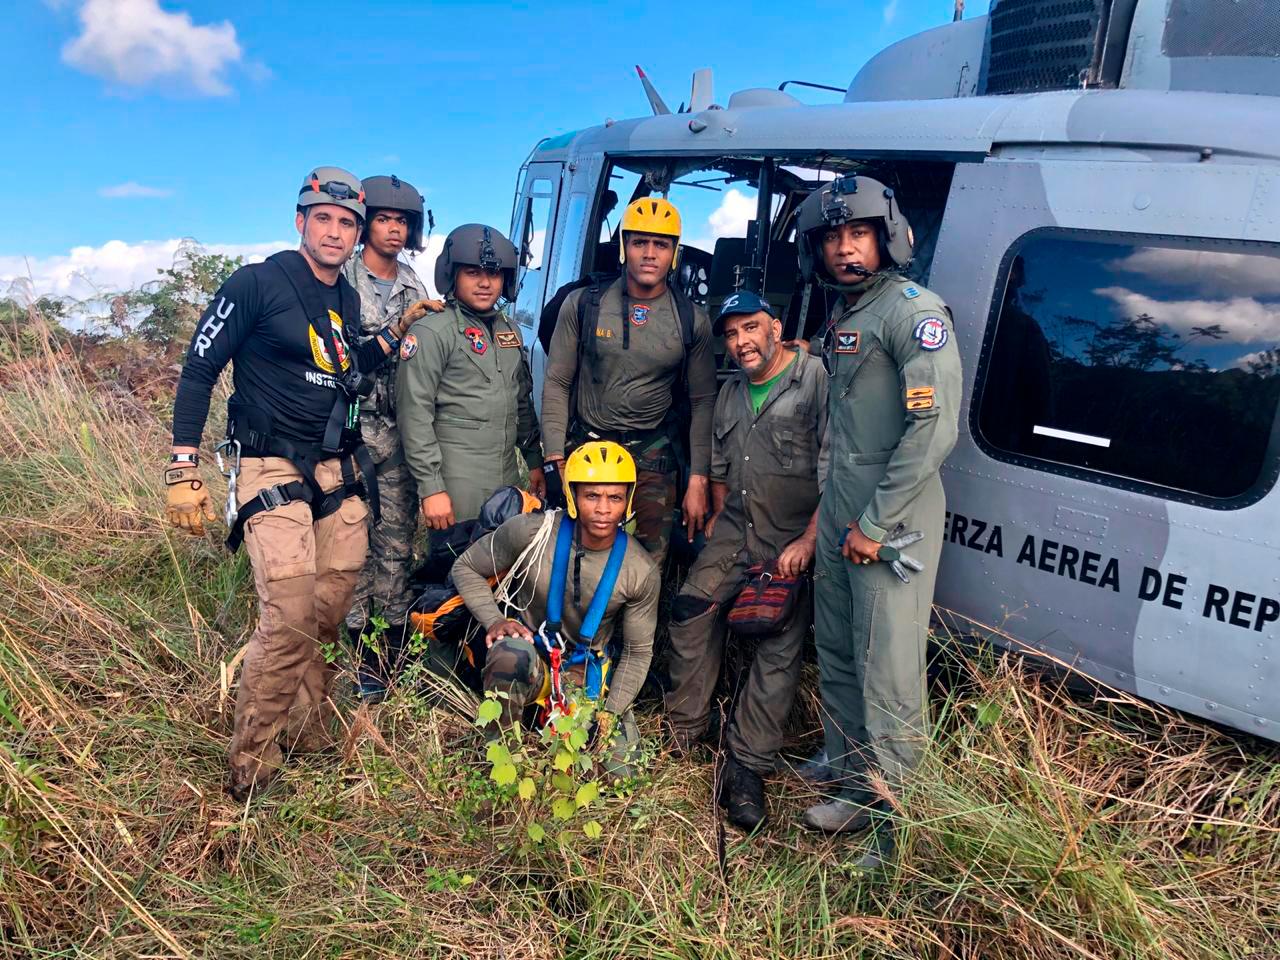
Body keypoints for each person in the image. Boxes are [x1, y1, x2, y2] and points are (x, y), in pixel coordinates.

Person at [166, 166, 417, 799]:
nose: (335, 232)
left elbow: (341, 363)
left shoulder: (347, 301)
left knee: (330, 614)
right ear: (300, 220)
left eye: (347, 223)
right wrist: (182, 463)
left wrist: (396, 333)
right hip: (270, 466)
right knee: (288, 616)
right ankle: (253, 761)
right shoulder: (257, 284)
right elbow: (200, 369)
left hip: (337, 470)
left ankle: (308, 730)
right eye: (324, 219)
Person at [794, 174, 962, 868]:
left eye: (858, 233)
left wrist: (874, 523)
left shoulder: (913, 313)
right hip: (843, 511)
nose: (845, 248)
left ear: (885, 236)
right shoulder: (849, 314)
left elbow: (932, 431)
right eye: (833, 236)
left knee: (888, 674)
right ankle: (853, 777)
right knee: (836, 648)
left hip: (890, 523)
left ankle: (901, 828)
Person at [663, 291, 828, 831]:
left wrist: (807, 541)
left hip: (790, 537)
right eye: (732, 335)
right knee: (689, 611)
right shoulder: (731, 395)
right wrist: (713, 515)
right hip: (735, 531)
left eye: (751, 328)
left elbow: (838, 471)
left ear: (775, 328)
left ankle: (746, 767)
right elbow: (721, 470)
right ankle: (686, 733)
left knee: (778, 641)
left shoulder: (815, 379)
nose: (742, 342)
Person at [450, 441, 660, 773]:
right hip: (531, 657)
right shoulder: (532, 531)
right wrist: (494, 620)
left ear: (628, 500)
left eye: (615, 498)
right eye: (592, 496)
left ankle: (558, 725)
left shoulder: (640, 569)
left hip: (584, 676)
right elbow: (466, 568)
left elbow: (637, 652)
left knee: (622, 775)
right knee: (509, 654)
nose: (604, 509)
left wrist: (612, 711)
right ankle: (499, 762)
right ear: (574, 496)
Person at [540, 197, 718, 573]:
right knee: (575, 551)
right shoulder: (583, 304)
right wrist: (555, 458)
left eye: (661, 244)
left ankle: (638, 632)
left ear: (675, 253)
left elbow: (703, 401)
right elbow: (557, 380)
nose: (650, 254)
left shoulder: (692, 320)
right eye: (639, 242)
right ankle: (578, 629)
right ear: (624, 248)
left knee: (649, 559)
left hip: (652, 446)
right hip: (588, 440)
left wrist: (698, 478)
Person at [340, 174, 444, 693]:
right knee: (351, 543)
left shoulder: (414, 284)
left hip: (400, 431)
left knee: (397, 543)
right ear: (365, 224)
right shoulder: (341, 278)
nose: (394, 229)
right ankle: (358, 647)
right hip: (350, 432)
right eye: (384, 219)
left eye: (402, 221)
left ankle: (393, 650)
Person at [396, 223, 545, 529]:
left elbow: (521, 402)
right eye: (473, 273)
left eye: (493, 274)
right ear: (453, 275)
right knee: (458, 571)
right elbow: (414, 414)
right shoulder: (432, 331)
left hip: (506, 483)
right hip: (456, 487)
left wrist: (533, 462)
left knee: (506, 570)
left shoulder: (509, 331)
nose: (485, 283)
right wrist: (432, 487)